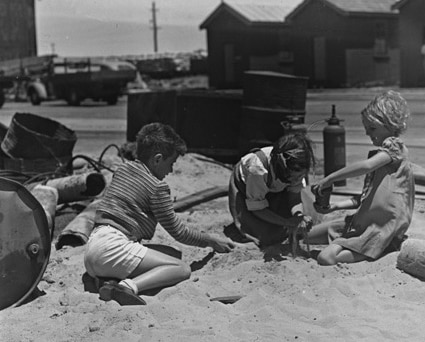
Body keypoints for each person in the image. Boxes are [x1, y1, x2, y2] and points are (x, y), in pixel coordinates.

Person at [84, 123, 235, 305]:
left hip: (93, 250)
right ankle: (127, 286)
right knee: (181, 268)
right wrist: (210, 240)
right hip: (112, 248)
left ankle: (106, 280)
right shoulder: (157, 187)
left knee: (173, 254)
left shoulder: (123, 170)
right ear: (157, 160)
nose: (170, 171)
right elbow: (178, 232)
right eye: (170, 164)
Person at [308, 90, 415, 265]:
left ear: (390, 124)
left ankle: (382, 249)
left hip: (379, 228)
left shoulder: (394, 147)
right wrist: (335, 206)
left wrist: (330, 178)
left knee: (326, 257)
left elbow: (366, 166)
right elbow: (363, 198)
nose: (367, 134)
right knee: (306, 235)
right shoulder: (381, 157)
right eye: (366, 129)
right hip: (361, 222)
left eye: (372, 128)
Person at [228, 133, 316, 248]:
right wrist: (287, 222)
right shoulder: (257, 169)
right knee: (262, 236)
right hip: (247, 187)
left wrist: (297, 216)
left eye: (300, 176)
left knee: (304, 221)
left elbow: (294, 197)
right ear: (282, 169)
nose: (297, 180)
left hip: (275, 185)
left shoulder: (297, 167)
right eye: (293, 177)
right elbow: (258, 208)